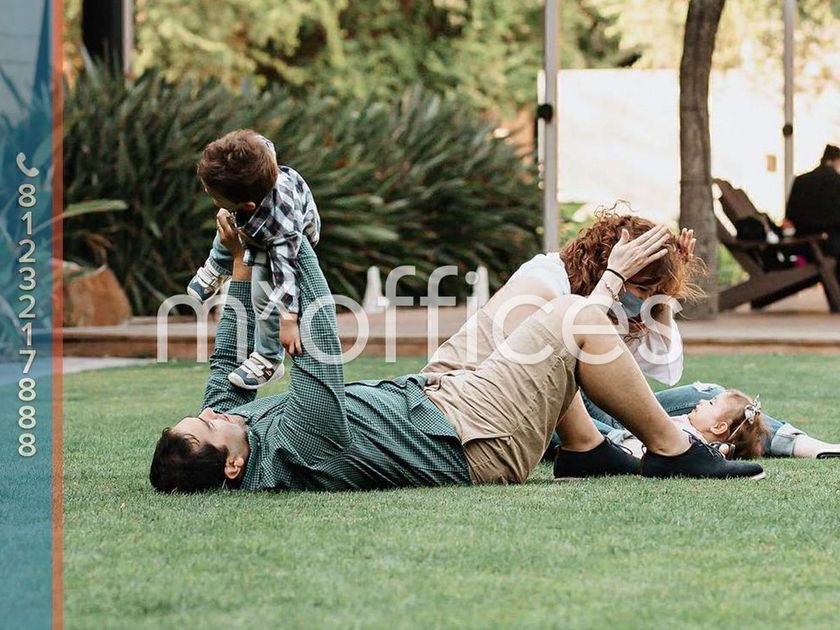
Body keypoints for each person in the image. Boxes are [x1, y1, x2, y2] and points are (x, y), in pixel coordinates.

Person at [149, 212, 764, 493]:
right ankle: (674, 451)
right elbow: (319, 346)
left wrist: (239, 257)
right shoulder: (296, 444)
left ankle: (584, 448)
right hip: (475, 438)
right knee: (573, 315)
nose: (215, 412)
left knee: (522, 301)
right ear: (234, 467)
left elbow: (227, 353)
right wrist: (287, 234)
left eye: (203, 413)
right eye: (210, 425)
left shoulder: (234, 423)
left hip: (434, 393)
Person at [514, 212, 840, 460]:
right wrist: (612, 280)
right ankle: (635, 447)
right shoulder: (546, 278)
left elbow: (663, 367)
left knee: (711, 395)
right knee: (564, 408)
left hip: (608, 408)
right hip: (557, 411)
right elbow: (540, 372)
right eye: (643, 289)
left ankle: (800, 444)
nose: (645, 301)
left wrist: (665, 291)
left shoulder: (628, 301)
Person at [187, 129, 321, 389]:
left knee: (262, 296)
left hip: (285, 239)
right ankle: (218, 265)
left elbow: (286, 276)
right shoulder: (261, 155)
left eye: (212, 195)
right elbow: (255, 144)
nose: (206, 192)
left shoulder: (280, 232)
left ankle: (269, 359)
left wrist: (289, 320)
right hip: (256, 213)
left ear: (249, 205)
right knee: (227, 219)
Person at [606, 389, 768, 461]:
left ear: (718, 427)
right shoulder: (689, 422)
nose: (702, 401)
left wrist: (719, 450)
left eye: (711, 403)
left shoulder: (692, 439)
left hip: (616, 442)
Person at [786, 144, 840, 282]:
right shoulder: (837, 182)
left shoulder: (800, 180)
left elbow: (790, 216)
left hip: (801, 244)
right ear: (837, 161)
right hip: (830, 245)